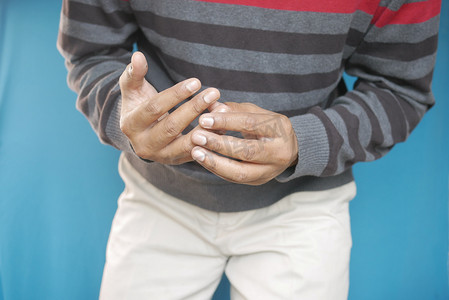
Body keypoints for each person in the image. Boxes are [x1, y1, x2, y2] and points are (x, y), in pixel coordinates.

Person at [57, 0, 441, 299]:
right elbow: (91, 51)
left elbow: (400, 89)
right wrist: (126, 115)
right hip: (159, 195)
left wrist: (302, 141)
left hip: (301, 209)